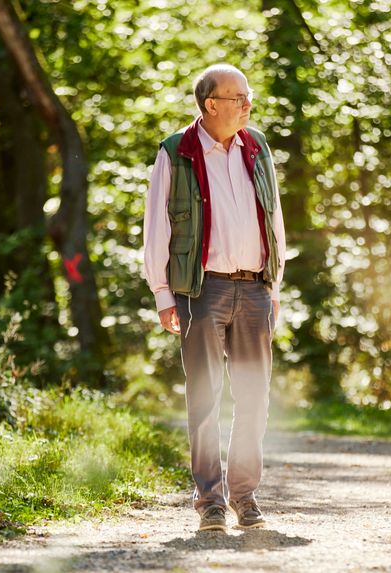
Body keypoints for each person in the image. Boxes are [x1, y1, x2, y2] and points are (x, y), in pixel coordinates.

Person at [143, 63, 287, 532]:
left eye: (247, 96)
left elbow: (274, 217)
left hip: (254, 287)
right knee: (204, 398)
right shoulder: (176, 151)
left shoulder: (257, 146)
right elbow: (157, 230)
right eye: (239, 97)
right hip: (201, 290)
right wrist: (163, 293)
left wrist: (274, 284)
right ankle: (209, 500)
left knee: (254, 397)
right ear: (211, 104)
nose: (248, 104)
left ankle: (244, 497)